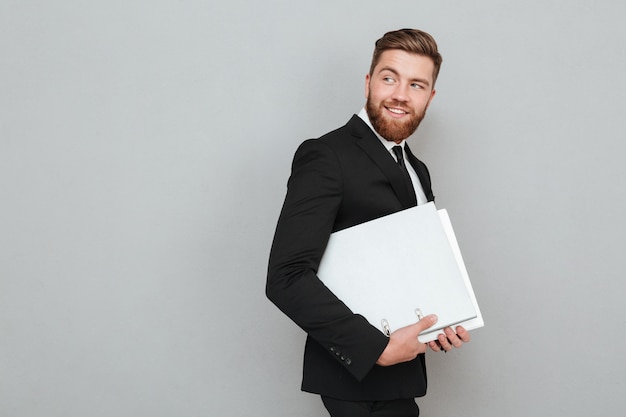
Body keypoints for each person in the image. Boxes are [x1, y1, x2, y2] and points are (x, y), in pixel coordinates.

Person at [266, 28, 470, 417]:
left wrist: (441, 319)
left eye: (416, 84)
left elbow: (409, 261)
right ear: (368, 82)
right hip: (355, 383)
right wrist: (375, 348)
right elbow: (286, 276)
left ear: (430, 97)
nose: (400, 94)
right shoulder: (326, 155)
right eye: (389, 77)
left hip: (401, 381)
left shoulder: (417, 169)